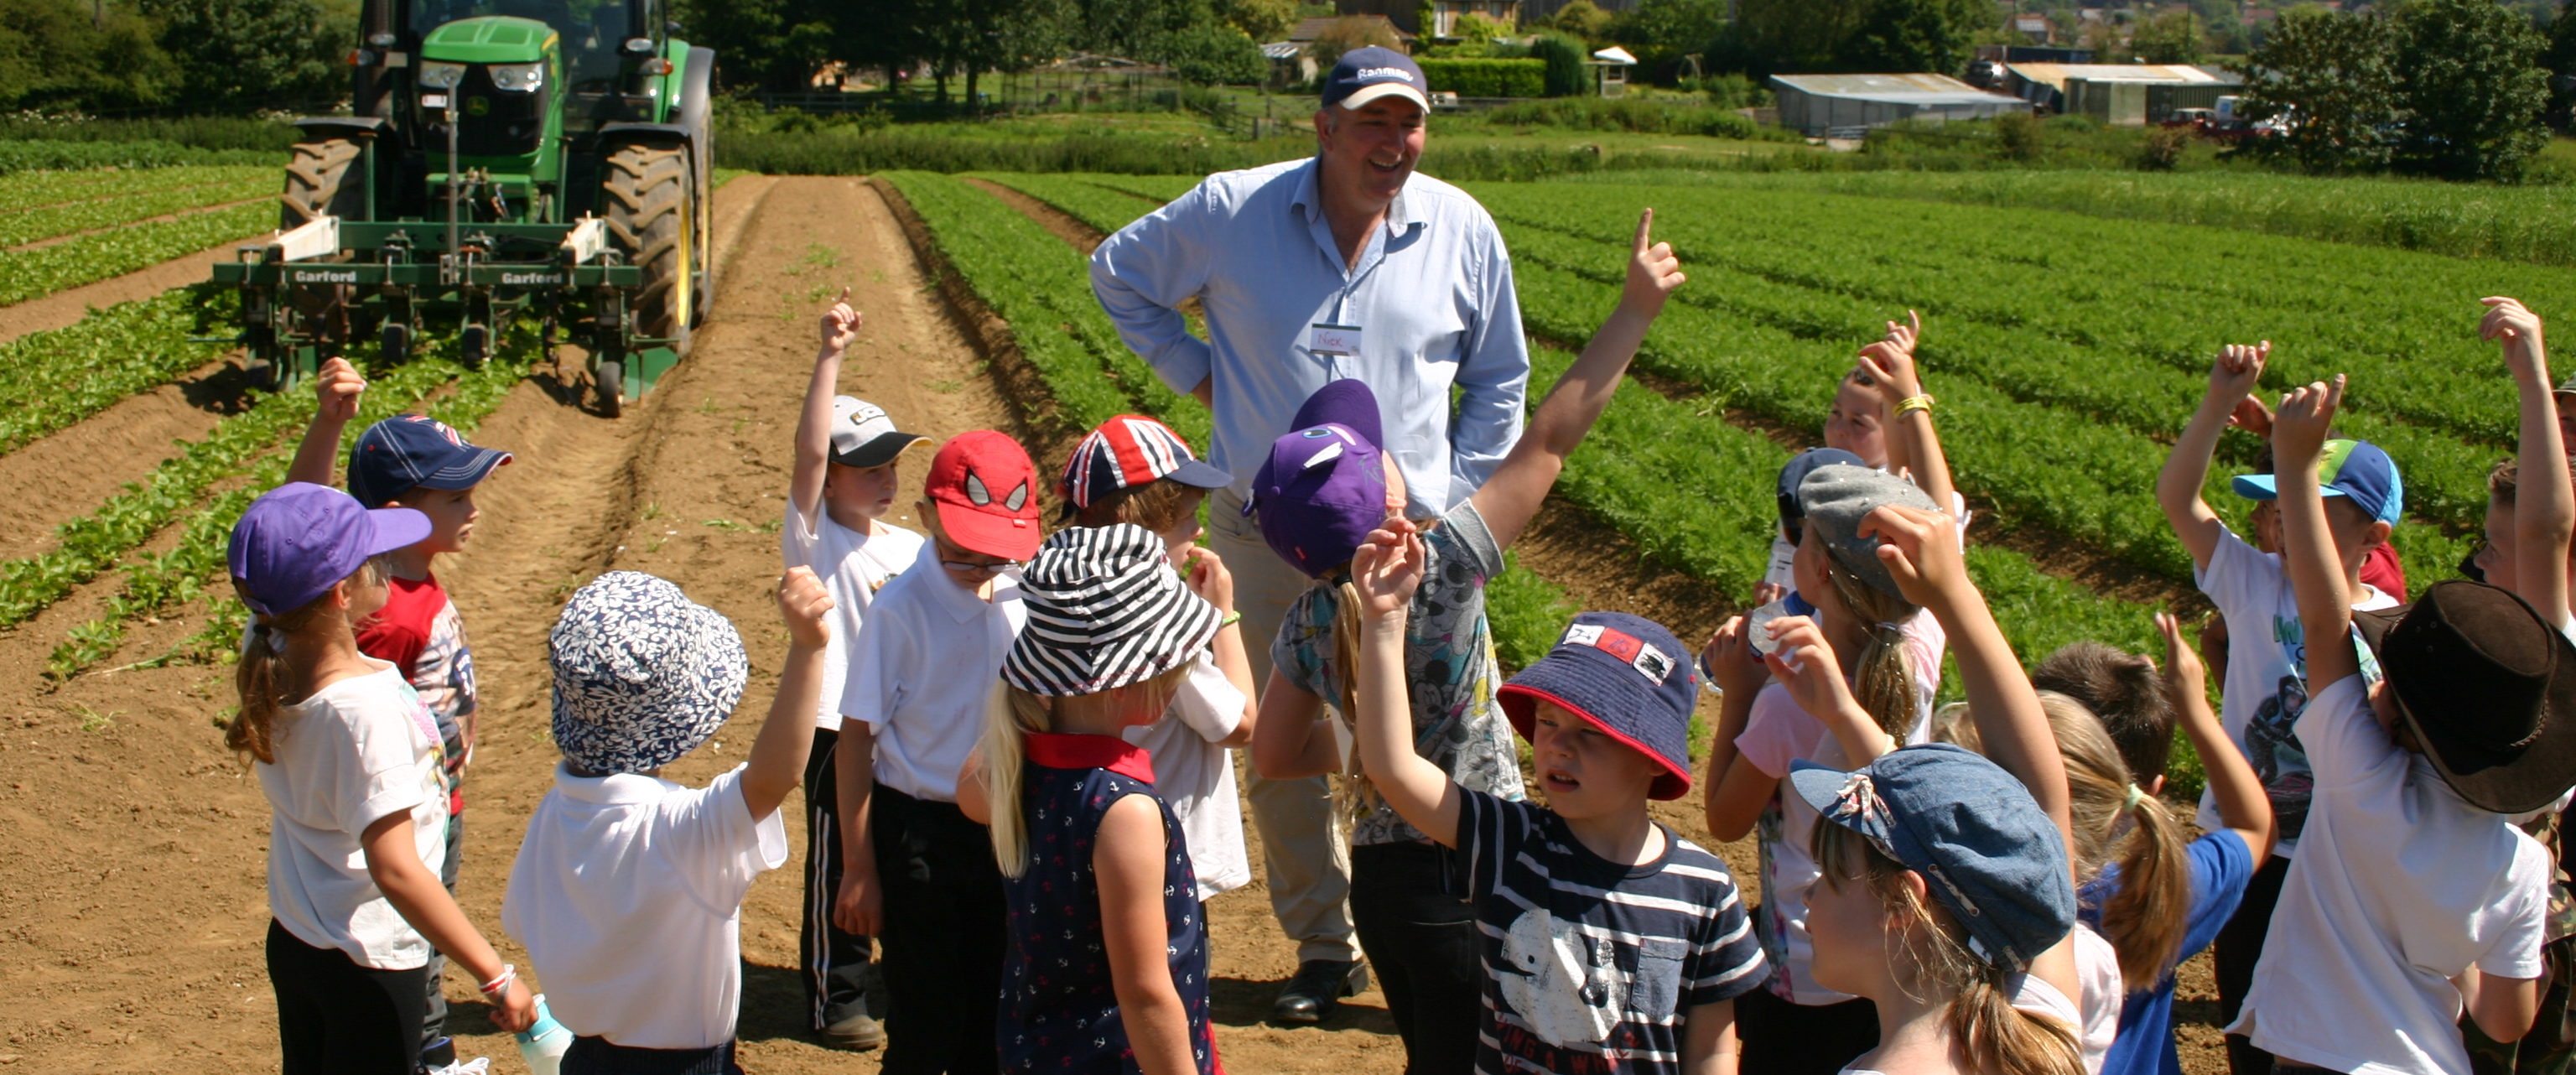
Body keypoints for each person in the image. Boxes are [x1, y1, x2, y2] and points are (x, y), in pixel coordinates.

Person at [1089, 45, 1532, 1018]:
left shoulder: (1460, 227)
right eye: (1372, 122)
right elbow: (1118, 274)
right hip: (1264, 529)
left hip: (1405, 544)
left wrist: (1452, 498)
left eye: (1409, 123)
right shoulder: (1231, 212)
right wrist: (1208, 382)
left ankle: (1470, 917)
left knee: (1444, 731)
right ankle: (1326, 944)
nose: (1394, 143)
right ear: (1324, 128)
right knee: (1282, 741)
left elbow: (1501, 378)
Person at [1249, 208, 1680, 1072]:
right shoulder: (1441, 564)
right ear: (1392, 500)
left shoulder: (1307, 618)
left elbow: (1271, 754)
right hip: (1476, 864)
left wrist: (1370, 753)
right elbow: (1551, 439)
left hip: (1382, 888)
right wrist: (1634, 311)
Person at [2231, 365, 2573, 1075]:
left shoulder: (2360, 780)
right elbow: (2506, 1019)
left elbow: (2325, 622)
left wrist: (2294, 467)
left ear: (2402, 710)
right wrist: (2455, 956)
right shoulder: (2522, 866)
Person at [1349, 532, 1771, 1075]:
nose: (1558, 745)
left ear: (1652, 758)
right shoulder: (1509, 842)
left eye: (1592, 731)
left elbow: (1711, 1051)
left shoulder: (1703, 892)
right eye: (1548, 722)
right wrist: (1385, 621)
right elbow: (1392, 767)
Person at [1762, 490, 2087, 1075]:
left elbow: (2042, 806)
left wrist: (1955, 595)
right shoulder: (2038, 1026)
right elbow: (2041, 807)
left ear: (1906, 904)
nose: (1808, 895)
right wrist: (1845, 714)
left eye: (1832, 878)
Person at [2154, 340, 2404, 1075]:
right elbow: (2178, 496)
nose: (2284, 525)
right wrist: (2219, 403)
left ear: (2374, 538)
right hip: (2248, 844)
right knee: (2242, 1015)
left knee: (2310, 1025)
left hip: (2337, 857)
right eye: (2278, 507)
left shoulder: (2392, 624)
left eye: (2311, 511)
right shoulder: (2252, 580)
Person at [225, 482, 534, 1072]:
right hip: (368, 961)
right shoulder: (365, 713)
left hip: (298, 938)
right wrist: (496, 976)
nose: (388, 563)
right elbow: (395, 869)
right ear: (343, 592)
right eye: (376, 558)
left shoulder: (267, 638)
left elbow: (278, 549)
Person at [501, 568, 835, 1073]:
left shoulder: (554, 813)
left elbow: (520, 923)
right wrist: (808, 648)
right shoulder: (679, 828)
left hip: (585, 1058)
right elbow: (776, 777)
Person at [284, 356, 512, 1069]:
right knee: (413, 941)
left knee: (422, 945)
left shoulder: (400, 579)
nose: (474, 509)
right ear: (396, 519)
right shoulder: (383, 619)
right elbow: (298, 527)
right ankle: (428, 1053)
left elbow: (300, 524)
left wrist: (331, 423)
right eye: (455, 499)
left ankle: (428, 1045)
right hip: (402, 811)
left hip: (434, 797)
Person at [1697, 464, 1960, 1073]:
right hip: (1891, 942)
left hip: (1810, 950)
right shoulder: (1919, 647)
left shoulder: (1788, 700)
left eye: (1805, 539)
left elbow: (1725, 818)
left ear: (1816, 570)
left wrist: (1739, 690)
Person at [958, 523, 1228, 1075]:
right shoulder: (1123, 810)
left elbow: (970, 782)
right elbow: (1146, 994)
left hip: (1038, 1051)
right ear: (1126, 676)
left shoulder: (1006, 771)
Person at [832, 430, 1043, 1075]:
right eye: (964, 555)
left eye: (996, 558)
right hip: (919, 837)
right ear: (925, 519)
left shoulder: (1021, 595)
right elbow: (856, 740)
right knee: (925, 1019)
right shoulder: (898, 609)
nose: (982, 572)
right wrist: (860, 865)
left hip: (1006, 832)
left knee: (996, 1012)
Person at [2023, 614, 2275, 1075]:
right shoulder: (2153, 891)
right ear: (2150, 791)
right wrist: (2195, 711)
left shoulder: (1963, 876)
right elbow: (2255, 827)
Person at [786, 291, 930, 1051]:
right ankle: (834, 996)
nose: (886, 475)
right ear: (832, 477)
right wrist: (830, 355)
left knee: (900, 851)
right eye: (866, 464)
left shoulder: (909, 548)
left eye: (893, 461)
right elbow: (808, 452)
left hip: (900, 726)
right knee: (840, 855)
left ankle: (898, 981)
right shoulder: (814, 540)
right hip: (830, 725)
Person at [1058, 414, 1258, 906]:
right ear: (1145, 523)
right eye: (1188, 516)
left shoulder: (1053, 588)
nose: (1199, 527)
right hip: (1162, 849)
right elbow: (1239, 725)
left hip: (1077, 829)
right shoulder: (1158, 612)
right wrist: (1223, 619)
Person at [2460, 298, 2576, 1075]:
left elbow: (2544, 533)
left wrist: (2532, 374)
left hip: (2513, 909)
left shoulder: (2552, 647)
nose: (2483, 560)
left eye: (2495, 546)